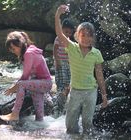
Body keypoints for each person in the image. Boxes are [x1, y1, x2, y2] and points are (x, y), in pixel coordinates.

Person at [55, 5, 108, 134]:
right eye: (83, 35)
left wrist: (104, 95)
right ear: (77, 36)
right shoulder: (72, 47)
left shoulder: (96, 53)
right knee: (70, 125)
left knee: (87, 123)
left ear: (93, 38)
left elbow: (99, 75)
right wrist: (57, 15)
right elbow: (59, 34)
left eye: (89, 35)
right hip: (75, 92)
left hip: (91, 91)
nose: (86, 38)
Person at [0, 31, 52, 121]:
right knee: (39, 118)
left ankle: (15, 114)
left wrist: (14, 87)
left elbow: (25, 77)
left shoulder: (29, 53)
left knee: (21, 84)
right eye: (11, 49)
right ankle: (41, 129)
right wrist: (15, 86)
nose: (12, 51)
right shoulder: (29, 50)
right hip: (38, 83)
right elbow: (27, 76)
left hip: (45, 83)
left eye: (13, 48)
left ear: (20, 44)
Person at [53, 18, 74, 116]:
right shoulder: (58, 38)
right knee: (62, 84)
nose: (68, 34)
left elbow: (69, 53)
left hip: (67, 63)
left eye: (70, 33)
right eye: (66, 32)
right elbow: (55, 50)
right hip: (60, 63)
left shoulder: (68, 41)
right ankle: (57, 107)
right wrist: (57, 61)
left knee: (68, 84)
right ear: (61, 29)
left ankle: (62, 105)